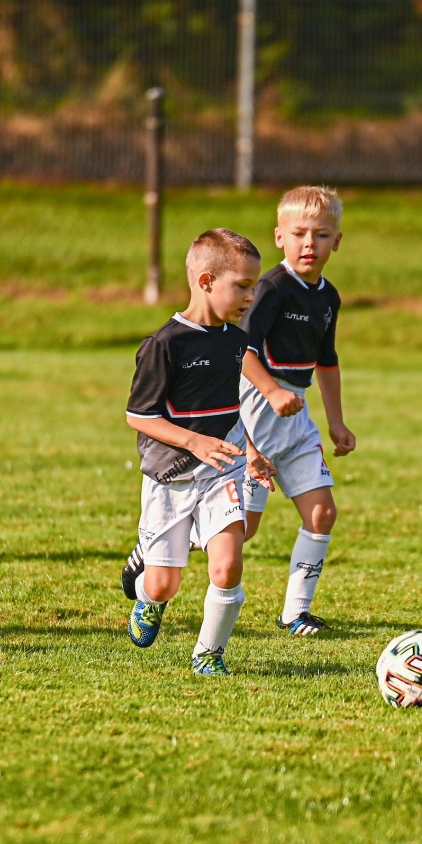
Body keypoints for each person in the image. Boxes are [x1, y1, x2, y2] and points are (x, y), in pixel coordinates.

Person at [121, 229, 275, 676]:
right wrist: (193, 442)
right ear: (206, 281)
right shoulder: (165, 345)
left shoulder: (235, 342)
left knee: (227, 566)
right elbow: (139, 416)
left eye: (254, 286)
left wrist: (251, 452)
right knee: (165, 584)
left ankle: (209, 653)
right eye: (242, 286)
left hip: (220, 473)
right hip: (169, 477)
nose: (251, 296)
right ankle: (150, 600)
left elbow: (229, 410)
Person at [235, 186, 355, 636]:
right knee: (242, 529)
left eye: (321, 235)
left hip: (297, 420)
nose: (310, 244)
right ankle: (157, 548)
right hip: (255, 413)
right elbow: (240, 351)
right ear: (279, 237)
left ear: (337, 242)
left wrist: (337, 421)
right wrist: (270, 391)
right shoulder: (271, 287)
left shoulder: (329, 297)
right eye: (299, 233)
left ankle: (295, 613)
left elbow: (327, 360)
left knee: (322, 513)